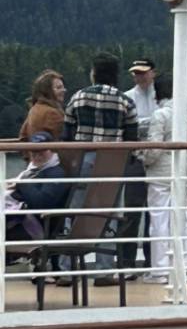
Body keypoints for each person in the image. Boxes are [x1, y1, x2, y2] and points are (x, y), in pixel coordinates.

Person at [62, 52, 139, 284]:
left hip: (82, 162)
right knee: (109, 215)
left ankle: (67, 270)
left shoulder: (78, 97)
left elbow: (67, 135)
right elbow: (132, 139)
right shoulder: (125, 101)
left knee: (73, 213)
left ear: (94, 73)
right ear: (115, 75)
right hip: (112, 164)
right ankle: (104, 271)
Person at [139, 78, 187, 283]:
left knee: (159, 220)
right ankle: (183, 267)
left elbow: (155, 147)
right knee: (183, 218)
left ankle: (160, 270)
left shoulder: (160, 114)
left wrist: (143, 157)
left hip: (160, 174)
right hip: (183, 170)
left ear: (158, 95)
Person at [122, 58, 159, 270]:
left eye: (143, 72)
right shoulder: (127, 97)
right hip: (135, 158)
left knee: (154, 211)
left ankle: (151, 259)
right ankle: (126, 262)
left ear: (153, 73)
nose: (139, 77)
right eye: (136, 73)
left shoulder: (160, 97)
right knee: (132, 210)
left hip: (156, 158)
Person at [4, 132, 69, 248]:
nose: (37, 156)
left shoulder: (56, 173)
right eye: (34, 152)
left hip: (32, 226)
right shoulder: (32, 170)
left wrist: (22, 183)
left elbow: (41, 204)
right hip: (16, 220)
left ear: (51, 150)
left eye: (42, 152)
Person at [19, 69, 66, 140]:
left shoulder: (33, 109)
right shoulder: (52, 113)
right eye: (58, 88)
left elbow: (23, 135)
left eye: (63, 87)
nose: (64, 90)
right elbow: (62, 139)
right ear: (47, 90)